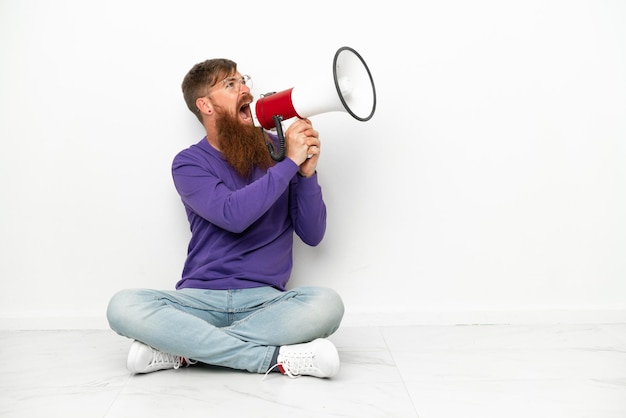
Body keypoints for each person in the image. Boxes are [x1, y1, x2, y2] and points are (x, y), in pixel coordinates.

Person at [106, 58, 344, 379]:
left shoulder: (281, 151)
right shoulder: (188, 163)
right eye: (230, 85)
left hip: (266, 304)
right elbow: (233, 215)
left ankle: (184, 350)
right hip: (198, 301)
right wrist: (289, 164)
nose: (245, 90)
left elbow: (313, 234)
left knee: (327, 305)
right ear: (204, 105)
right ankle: (274, 359)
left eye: (243, 81)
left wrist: (306, 174)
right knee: (123, 306)